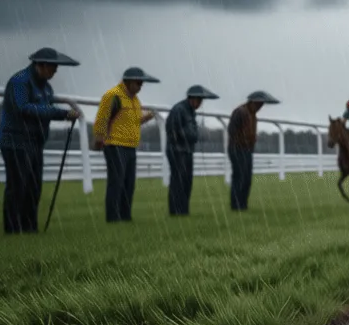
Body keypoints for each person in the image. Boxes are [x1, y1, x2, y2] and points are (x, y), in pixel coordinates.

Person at [0, 48, 82, 234]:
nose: (55, 71)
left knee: (33, 187)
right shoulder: (19, 82)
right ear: (40, 65)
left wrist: (62, 115)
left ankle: (30, 228)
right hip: (16, 142)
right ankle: (13, 230)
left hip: (35, 143)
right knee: (17, 187)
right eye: (53, 67)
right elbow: (24, 108)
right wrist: (62, 114)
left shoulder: (47, 88)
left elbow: (44, 111)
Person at [92, 67, 158, 223]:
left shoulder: (135, 100)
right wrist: (99, 138)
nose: (140, 87)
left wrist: (147, 117)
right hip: (115, 145)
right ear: (128, 81)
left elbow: (133, 121)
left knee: (129, 183)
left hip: (130, 146)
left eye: (142, 84)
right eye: (138, 83)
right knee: (117, 182)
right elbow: (102, 118)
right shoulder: (113, 95)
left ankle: (125, 216)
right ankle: (113, 217)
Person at [166, 85, 218, 216]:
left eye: (201, 101)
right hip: (178, 150)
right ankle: (176, 210)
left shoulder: (190, 111)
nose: (200, 103)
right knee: (178, 181)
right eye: (199, 100)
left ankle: (183, 210)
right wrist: (187, 137)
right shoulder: (179, 109)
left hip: (187, 150)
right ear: (192, 98)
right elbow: (173, 131)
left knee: (186, 181)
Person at [228, 90, 279, 210]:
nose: (260, 107)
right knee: (240, 177)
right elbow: (232, 130)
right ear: (252, 102)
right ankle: (236, 205)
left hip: (247, 149)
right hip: (238, 149)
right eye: (259, 104)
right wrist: (243, 140)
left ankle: (243, 204)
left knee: (246, 178)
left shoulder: (252, 114)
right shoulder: (240, 112)